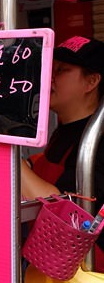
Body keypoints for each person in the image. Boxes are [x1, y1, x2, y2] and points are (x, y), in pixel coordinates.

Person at [21, 35, 104, 266]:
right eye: (50, 68)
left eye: (62, 69)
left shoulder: (97, 142)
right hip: (48, 262)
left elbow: (66, 215)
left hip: (88, 277)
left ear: (92, 82)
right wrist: (29, 165)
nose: (50, 77)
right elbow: (51, 164)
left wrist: (10, 159)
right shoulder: (65, 128)